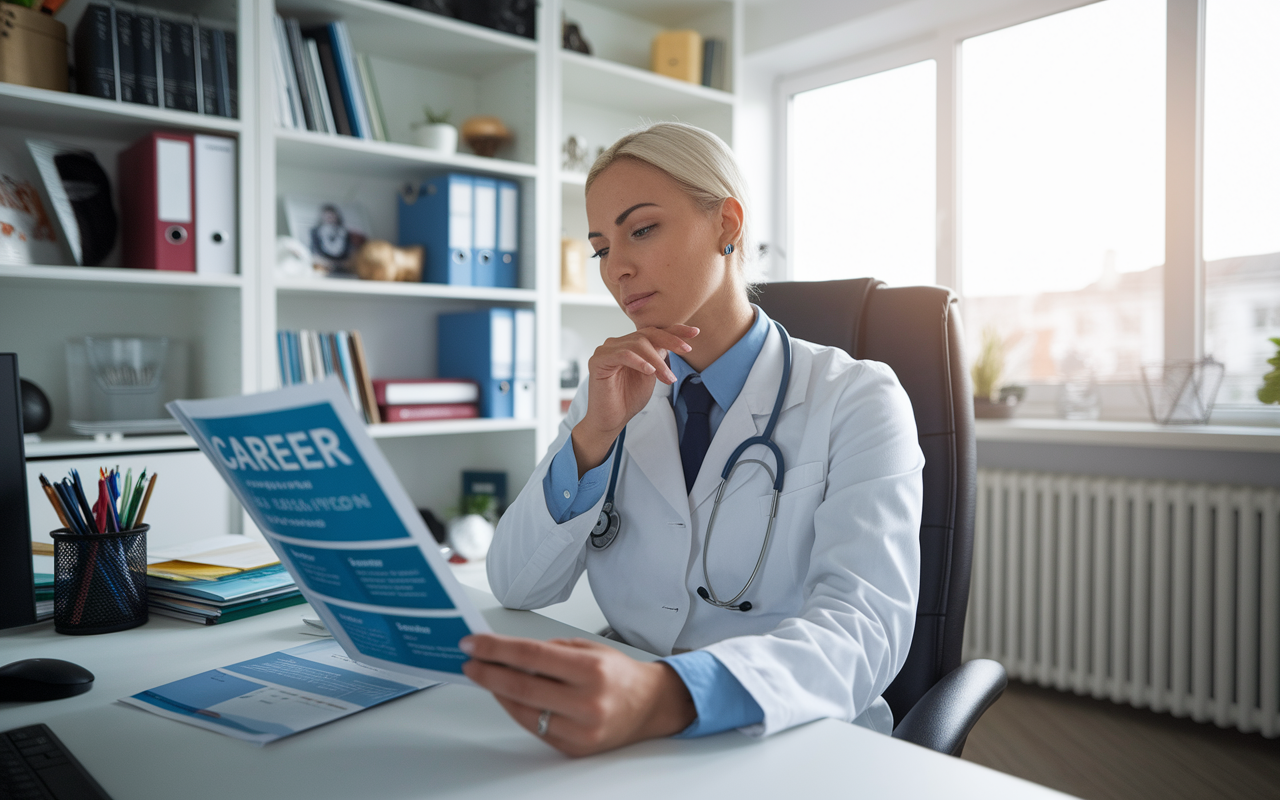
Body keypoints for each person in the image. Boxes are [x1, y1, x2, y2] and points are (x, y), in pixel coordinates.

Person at [460, 122, 924, 757]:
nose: (617, 268)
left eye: (642, 229)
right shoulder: (612, 394)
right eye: (600, 248)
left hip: (794, 737)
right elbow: (514, 585)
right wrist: (594, 435)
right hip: (628, 734)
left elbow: (864, 632)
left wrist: (668, 695)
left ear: (727, 225)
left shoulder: (859, 399)